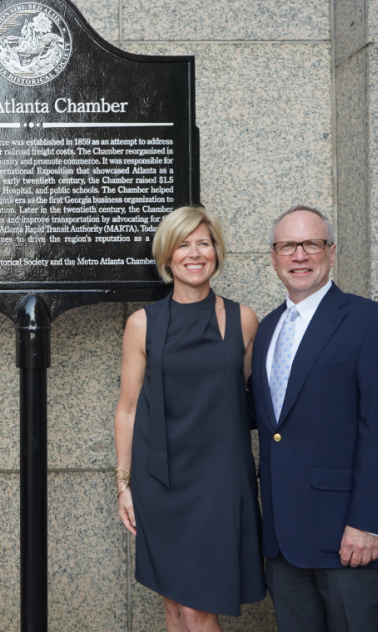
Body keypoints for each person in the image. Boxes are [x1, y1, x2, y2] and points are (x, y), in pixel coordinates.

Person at [252, 205, 378, 631]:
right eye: (288, 245)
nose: (299, 255)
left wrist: (368, 523)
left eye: (311, 244)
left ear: (332, 251)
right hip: (284, 542)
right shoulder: (267, 329)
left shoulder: (373, 322)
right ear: (273, 256)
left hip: (349, 536)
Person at [114, 206, 266, 632]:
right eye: (184, 244)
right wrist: (124, 484)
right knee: (175, 611)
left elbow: (258, 402)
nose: (195, 253)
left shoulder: (244, 319)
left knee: (199, 612)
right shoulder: (142, 324)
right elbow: (127, 408)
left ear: (216, 253)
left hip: (219, 484)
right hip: (160, 484)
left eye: (204, 243)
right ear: (167, 257)